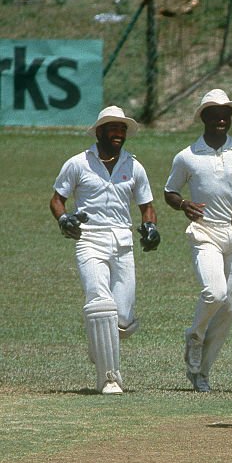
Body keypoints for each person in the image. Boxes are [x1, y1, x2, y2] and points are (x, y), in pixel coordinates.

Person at [49, 105, 160, 395]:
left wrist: (150, 227)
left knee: (122, 319)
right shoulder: (78, 163)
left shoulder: (134, 165)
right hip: (89, 239)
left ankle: (98, 343)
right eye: (113, 127)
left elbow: (147, 207)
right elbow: (57, 199)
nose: (118, 133)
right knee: (100, 304)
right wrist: (64, 218)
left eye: (122, 128)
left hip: (122, 242)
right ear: (99, 131)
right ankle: (109, 379)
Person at [164, 89, 232, 393]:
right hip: (205, 232)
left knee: (229, 306)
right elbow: (169, 191)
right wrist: (183, 204)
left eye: (225, 114)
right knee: (214, 293)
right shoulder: (187, 155)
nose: (221, 119)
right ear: (203, 117)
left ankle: (201, 372)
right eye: (214, 114)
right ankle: (195, 335)